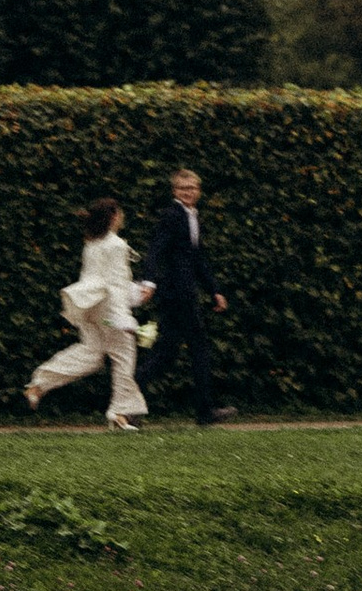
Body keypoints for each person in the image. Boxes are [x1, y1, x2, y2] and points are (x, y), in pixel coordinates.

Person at [22, 198, 152, 432]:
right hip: (108, 308)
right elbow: (115, 283)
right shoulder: (116, 244)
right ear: (113, 216)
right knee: (123, 358)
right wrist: (124, 316)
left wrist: (132, 295)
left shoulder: (92, 243)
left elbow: (97, 278)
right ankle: (120, 412)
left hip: (88, 305)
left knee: (91, 354)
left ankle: (39, 384)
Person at [145, 163, 235, 424]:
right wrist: (149, 281)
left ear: (199, 191)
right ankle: (205, 412)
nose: (188, 192)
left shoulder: (191, 216)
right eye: (183, 188)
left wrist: (214, 290)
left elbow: (197, 259)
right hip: (176, 295)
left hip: (184, 294)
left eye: (192, 188)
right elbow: (155, 250)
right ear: (175, 191)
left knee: (167, 353)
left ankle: (126, 405)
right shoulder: (172, 215)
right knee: (195, 349)